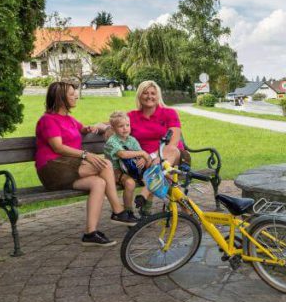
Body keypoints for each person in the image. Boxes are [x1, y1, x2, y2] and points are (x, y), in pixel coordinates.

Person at [35, 82, 137, 247]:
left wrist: (96, 127)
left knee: (99, 183)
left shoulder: (69, 119)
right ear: (60, 98)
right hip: (52, 168)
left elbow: (83, 128)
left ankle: (90, 233)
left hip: (69, 168)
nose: (76, 96)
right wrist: (86, 154)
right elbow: (57, 147)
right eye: (71, 94)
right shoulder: (48, 120)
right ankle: (118, 211)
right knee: (105, 164)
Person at [127, 80, 188, 215]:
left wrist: (153, 156)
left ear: (158, 96)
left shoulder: (169, 113)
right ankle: (189, 211)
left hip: (174, 155)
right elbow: (114, 123)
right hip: (146, 160)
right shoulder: (131, 116)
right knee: (166, 175)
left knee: (165, 156)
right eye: (145, 93)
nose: (149, 96)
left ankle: (145, 195)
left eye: (153, 93)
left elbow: (173, 142)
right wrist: (99, 126)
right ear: (139, 96)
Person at [103, 111, 152, 218]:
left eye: (127, 125)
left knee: (151, 178)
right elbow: (122, 154)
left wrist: (143, 159)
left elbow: (140, 154)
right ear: (113, 128)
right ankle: (128, 212)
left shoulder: (131, 140)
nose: (125, 128)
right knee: (130, 183)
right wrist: (143, 153)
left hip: (131, 169)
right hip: (114, 171)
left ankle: (146, 209)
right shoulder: (112, 141)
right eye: (121, 126)